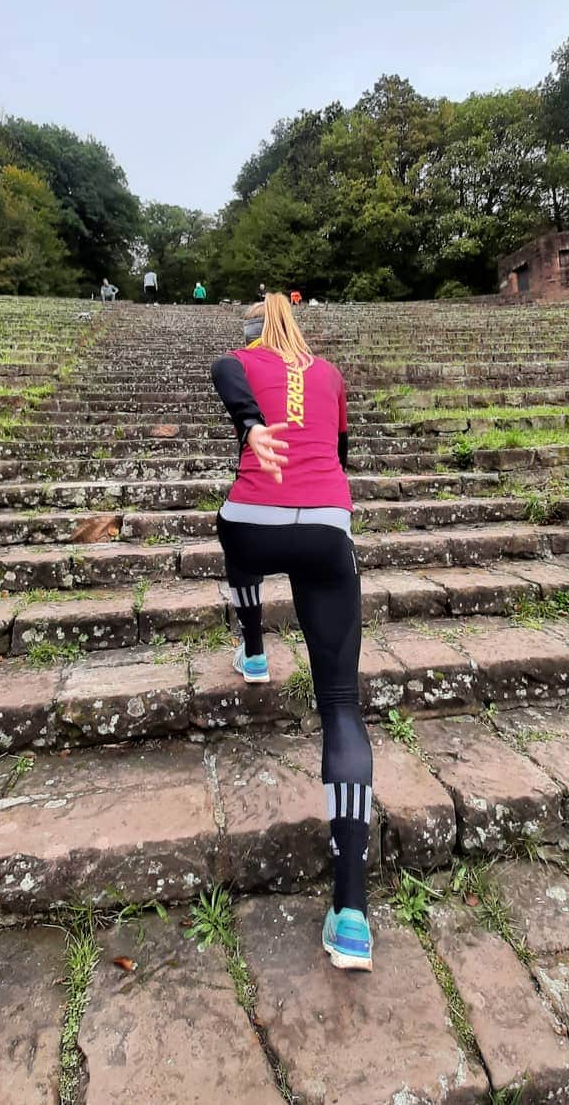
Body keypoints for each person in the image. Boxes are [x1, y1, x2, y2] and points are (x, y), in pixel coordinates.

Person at [211, 293, 372, 972]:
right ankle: (353, 916)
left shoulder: (237, 362)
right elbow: (340, 450)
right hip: (327, 529)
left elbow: (223, 374)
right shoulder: (329, 373)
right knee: (341, 706)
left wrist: (250, 426)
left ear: (250, 331)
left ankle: (253, 649)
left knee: (237, 544)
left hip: (253, 520)